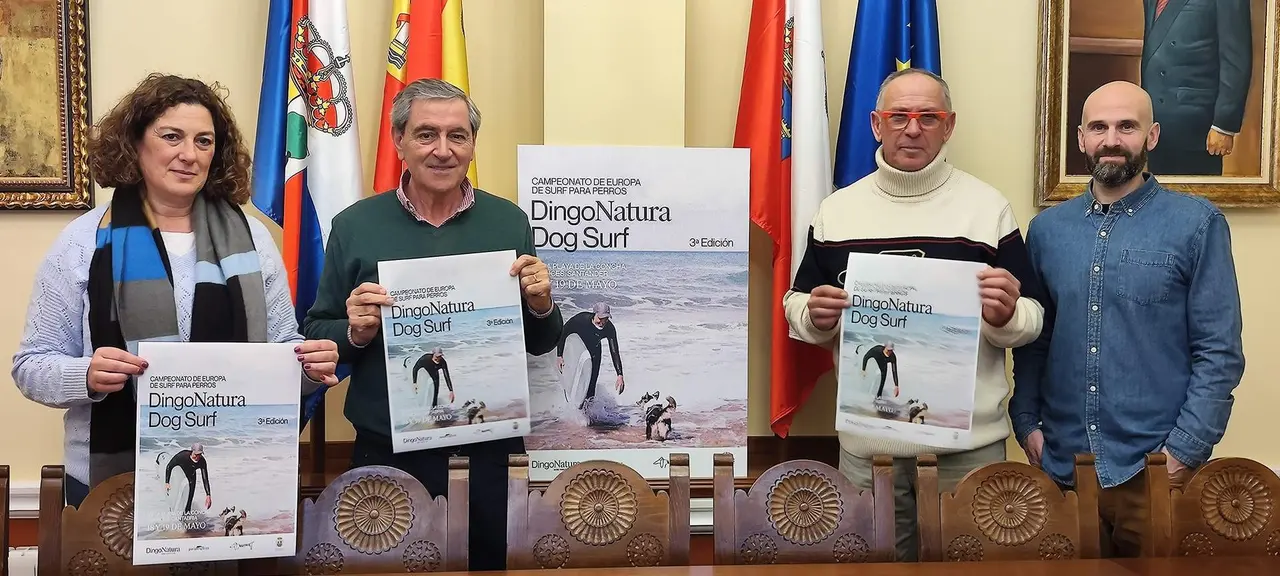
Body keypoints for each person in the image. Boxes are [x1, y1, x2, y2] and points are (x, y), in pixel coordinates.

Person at [11, 73, 341, 508]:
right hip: (110, 487)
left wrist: (307, 366)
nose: (189, 155)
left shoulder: (254, 240)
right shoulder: (82, 241)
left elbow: (281, 353)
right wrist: (85, 375)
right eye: (172, 137)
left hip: (232, 477)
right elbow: (31, 367)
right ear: (135, 143)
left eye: (204, 141)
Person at [782, 68, 1045, 562]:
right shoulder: (837, 211)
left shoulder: (986, 210)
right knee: (872, 568)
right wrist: (815, 317)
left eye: (929, 117)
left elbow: (1032, 318)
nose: (913, 127)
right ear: (876, 125)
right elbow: (796, 305)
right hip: (868, 449)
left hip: (966, 448)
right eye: (899, 116)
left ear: (949, 126)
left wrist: (1006, 314)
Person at [301, 78, 562, 572]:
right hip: (390, 448)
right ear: (399, 141)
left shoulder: (508, 222)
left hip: (489, 449)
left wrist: (543, 304)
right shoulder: (356, 226)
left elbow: (541, 341)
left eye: (457, 136)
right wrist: (353, 331)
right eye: (426, 134)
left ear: (472, 145)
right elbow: (318, 332)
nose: (443, 150)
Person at [1011, 80, 1245, 557]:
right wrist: (1027, 422)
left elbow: (1218, 353)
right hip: (1064, 469)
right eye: (1098, 127)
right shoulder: (1047, 231)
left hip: (1156, 474)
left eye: (1127, 126)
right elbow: (1036, 338)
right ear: (1081, 138)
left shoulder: (1197, 224)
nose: (1111, 139)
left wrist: (1183, 453)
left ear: (1152, 136)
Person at [1139, 0, 1252, 175]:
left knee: (1194, 199)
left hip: (1197, 127)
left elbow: (1236, 59)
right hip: (1156, 124)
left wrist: (1223, 125)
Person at [556, 302, 625, 408]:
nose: (602, 322)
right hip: (578, 351)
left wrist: (619, 375)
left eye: (605, 319)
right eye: (600, 318)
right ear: (594, 314)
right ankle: (569, 406)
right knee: (576, 379)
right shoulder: (581, 320)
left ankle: (588, 412)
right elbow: (563, 333)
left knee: (591, 383)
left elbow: (614, 351)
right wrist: (559, 355)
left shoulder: (609, 328)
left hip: (594, 353)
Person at [165, 443, 212, 513]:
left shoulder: (202, 461)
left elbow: (205, 478)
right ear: (192, 451)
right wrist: (167, 482)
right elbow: (169, 466)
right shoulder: (182, 456)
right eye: (196, 454)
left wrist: (208, 495)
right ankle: (171, 511)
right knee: (176, 494)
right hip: (179, 474)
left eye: (200, 454)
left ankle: (186, 517)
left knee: (189, 498)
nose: (198, 457)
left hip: (191, 476)